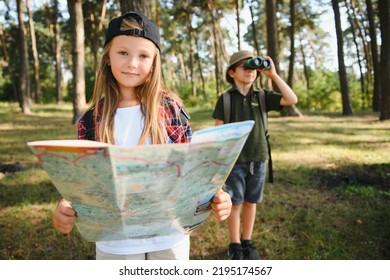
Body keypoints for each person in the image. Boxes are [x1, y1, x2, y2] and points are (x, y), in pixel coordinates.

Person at [53, 11, 232, 260]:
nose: (133, 63)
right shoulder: (91, 119)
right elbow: (84, 179)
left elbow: (194, 168)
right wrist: (65, 203)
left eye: (143, 55)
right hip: (115, 240)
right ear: (107, 57)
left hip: (169, 235)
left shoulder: (170, 107)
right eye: (123, 52)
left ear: (154, 62)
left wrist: (220, 195)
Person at [212, 50, 298, 260]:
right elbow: (218, 135)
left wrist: (273, 75)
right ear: (232, 73)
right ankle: (235, 244)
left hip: (258, 159)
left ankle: (247, 241)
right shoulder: (225, 99)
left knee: (251, 202)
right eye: (245, 66)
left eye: (253, 67)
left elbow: (292, 99)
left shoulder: (262, 96)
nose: (250, 71)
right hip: (234, 162)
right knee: (236, 203)